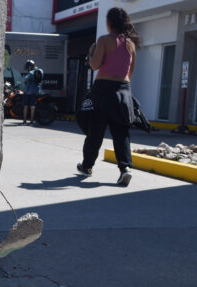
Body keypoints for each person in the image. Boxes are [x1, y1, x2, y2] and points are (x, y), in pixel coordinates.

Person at [77, 7, 140, 186]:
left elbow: (95, 65)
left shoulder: (104, 40)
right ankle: (125, 169)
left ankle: (87, 166)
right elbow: (131, 71)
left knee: (95, 131)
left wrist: (90, 57)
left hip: (103, 89)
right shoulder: (131, 44)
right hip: (123, 90)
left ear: (110, 22)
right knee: (121, 133)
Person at [22, 60, 43, 125]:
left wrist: (23, 77)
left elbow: (25, 79)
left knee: (25, 106)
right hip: (35, 91)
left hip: (28, 92)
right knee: (32, 106)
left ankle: (25, 121)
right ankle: (31, 121)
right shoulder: (40, 71)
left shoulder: (31, 73)